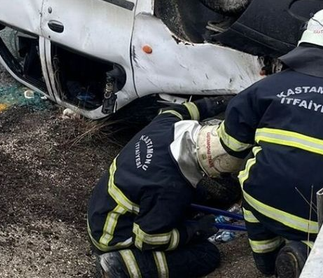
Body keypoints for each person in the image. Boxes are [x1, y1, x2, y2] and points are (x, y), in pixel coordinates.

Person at [218, 6, 323, 278]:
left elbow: (231, 146)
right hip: (315, 217)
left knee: (252, 185)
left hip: (261, 201)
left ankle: (265, 261)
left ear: (306, 38)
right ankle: (304, 252)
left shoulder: (265, 87)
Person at [87, 98, 244, 278]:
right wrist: (195, 230)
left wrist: (220, 102)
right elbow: (150, 239)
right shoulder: (170, 189)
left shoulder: (166, 125)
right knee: (206, 255)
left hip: (103, 211)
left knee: (198, 196)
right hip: (112, 236)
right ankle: (119, 265)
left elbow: (176, 110)